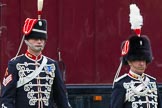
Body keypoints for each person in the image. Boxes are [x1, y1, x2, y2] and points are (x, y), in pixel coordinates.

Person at [0, 17, 72, 108]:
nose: (39, 41)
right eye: (35, 38)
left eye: (42, 39)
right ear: (27, 40)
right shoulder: (15, 64)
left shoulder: (52, 64)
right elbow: (6, 98)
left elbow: (61, 98)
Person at [110, 35, 162, 108]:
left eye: (144, 60)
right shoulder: (121, 84)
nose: (142, 64)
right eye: (138, 60)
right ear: (129, 62)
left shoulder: (152, 82)